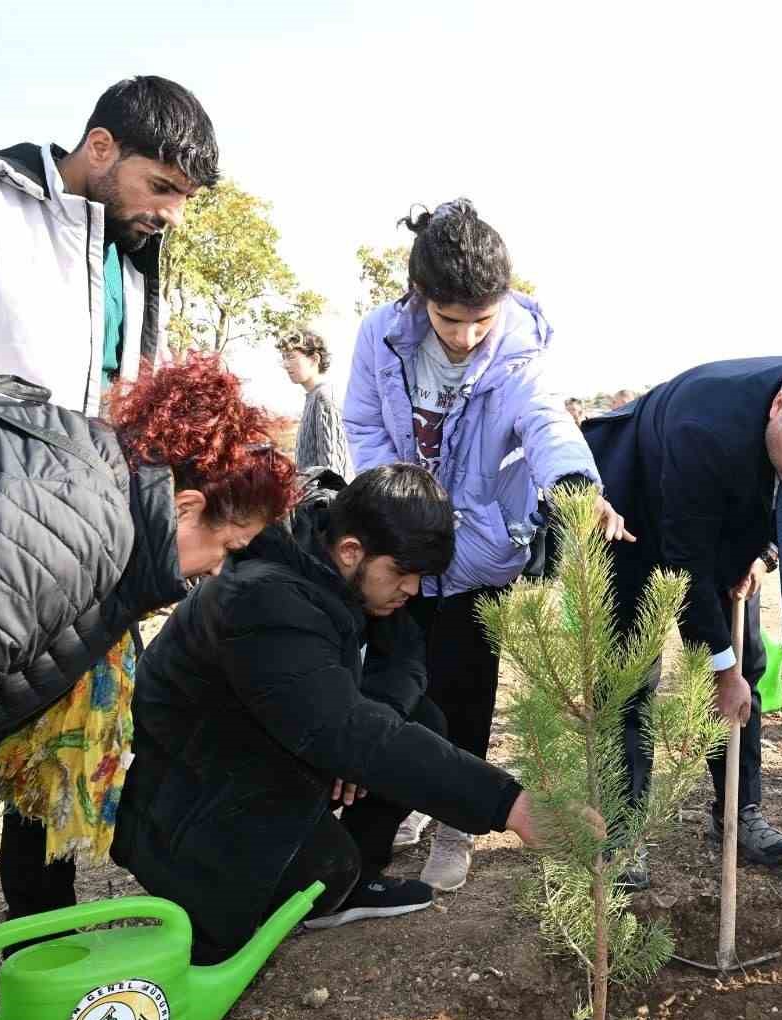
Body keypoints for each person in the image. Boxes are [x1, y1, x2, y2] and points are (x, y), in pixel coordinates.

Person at [0, 345, 294, 1020]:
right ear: (187, 505)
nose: (220, 569)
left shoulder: (105, 502)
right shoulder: (73, 529)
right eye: (228, 547)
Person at [113, 464, 550, 959]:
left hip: (262, 745)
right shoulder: (265, 594)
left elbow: (405, 656)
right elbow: (344, 729)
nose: (410, 590)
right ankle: (220, 910)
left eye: (421, 579)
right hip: (192, 794)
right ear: (350, 552)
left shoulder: (346, 564)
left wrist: (366, 729)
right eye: (403, 576)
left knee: (417, 719)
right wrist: (508, 804)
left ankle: (348, 884)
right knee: (321, 872)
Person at [344, 199, 625, 893]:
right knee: (397, 685)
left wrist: (574, 486)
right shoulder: (381, 338)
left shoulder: (520, 352)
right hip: (404, 542)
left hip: (477, 555)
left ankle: (456, 826)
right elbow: (363, 423)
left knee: (464, 694)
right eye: (449, 320)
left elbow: (545, 424)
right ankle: (409, 797)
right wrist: (399, 500)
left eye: (481, 319)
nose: (467, 336)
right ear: (419, 299)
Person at [582, 352, 782, 885]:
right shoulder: (705, 426)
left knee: (747, 664)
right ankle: (623, 832)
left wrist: (765, 553)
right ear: (779, 405)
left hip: (725, 521)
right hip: (631, 516)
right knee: (630, 677)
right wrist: (721, 671)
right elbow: (683, 562)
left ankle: (737, 811)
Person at [0, 75, 218, 414]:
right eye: (160, 186)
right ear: (100, 148)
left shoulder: (133, 256)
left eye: (186, 198)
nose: (175, 216)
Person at [282, 328, 353, 480]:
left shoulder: (324, 397)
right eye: (284, 358)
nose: (285, 364)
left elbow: (334, 470)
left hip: (328, 500)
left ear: (314, 359)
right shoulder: (313, 397)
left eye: (291, 357)